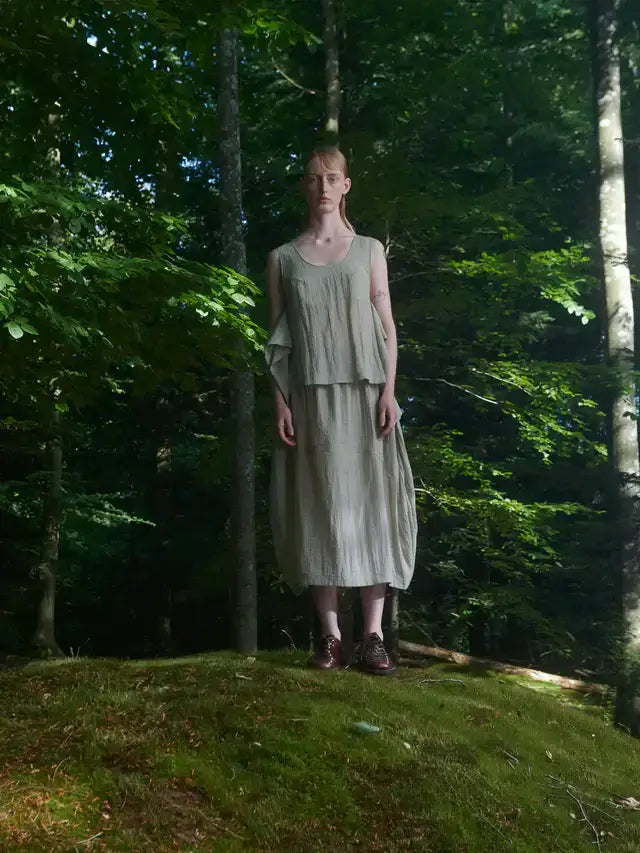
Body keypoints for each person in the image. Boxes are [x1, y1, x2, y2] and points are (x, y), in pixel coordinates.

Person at [265, 146, 417, 675]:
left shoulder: (369, 250)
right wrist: (281, 401)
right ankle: (329, 637)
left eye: (333, 178)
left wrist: (389, 392)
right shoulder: (282, 259)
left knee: (373, 503)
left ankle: (373, 637)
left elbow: (388, 329)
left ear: (347, 185)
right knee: (319, 504)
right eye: (314, 178)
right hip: (310, 399)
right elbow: (276, 341)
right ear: (304, 187)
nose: (324, 186)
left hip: (366, 394)